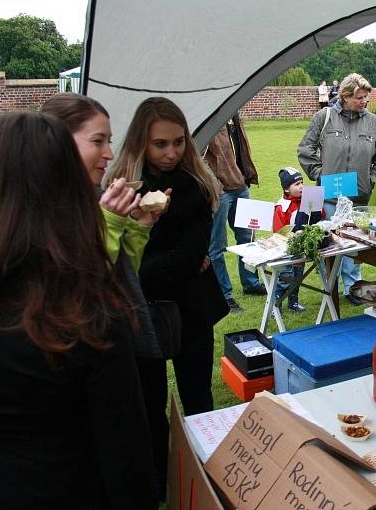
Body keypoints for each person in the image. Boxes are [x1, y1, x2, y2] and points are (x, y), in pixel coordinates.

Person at [0, 112, 156, 509]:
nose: (108, 154)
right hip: (56, 485)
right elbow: (125, 450)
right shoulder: (85, 304)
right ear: (67, 181)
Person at [105, 96, 229, 496]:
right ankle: (159, 478)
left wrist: (136, 271)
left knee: (197, 396)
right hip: (141, 316)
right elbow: (118, 262)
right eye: (161, 144)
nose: (172, 152)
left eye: (178, 142)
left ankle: (206, 470)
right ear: (141, 142)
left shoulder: (195, 184)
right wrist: (152, 267)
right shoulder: (120, 191)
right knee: (149, 401)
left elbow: (187, 256)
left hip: (190, 310)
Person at [41, 93, 165, 360]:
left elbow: (120, 275)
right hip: (74, 353)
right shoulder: (42, 208)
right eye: (97, 141)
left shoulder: (91, 196)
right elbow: (79, 284)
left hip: (112, 341)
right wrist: (109, 220)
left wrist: (136, 228)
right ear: (57, 141)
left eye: (108, 141)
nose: (109, 154)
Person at [298, 72, 376, 304]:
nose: (364, 102)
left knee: (353, 247)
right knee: (330, 244)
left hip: (359, 198)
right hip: (329, 197)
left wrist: (370, 181)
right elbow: (306, 149)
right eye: (359, 98)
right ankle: (330, 289)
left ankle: (353, 289)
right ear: (345, 96)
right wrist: (321, 175)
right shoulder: (324, 117)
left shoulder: (374, 122)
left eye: (366, 99)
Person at [203, 113, 265, 314]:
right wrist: (216, 184)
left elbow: (240, 151)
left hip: (240, 185)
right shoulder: (210, 118)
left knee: (247, 239)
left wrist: (246, 175)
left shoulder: (234, 115)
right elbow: (197, 155)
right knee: (217, 246)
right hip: (221, 191)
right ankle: (224, 294)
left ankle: (251, 282)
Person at [272, 167, 320, 312]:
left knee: (298, 277)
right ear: (287, 189)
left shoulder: (306, 201)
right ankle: (276, 305)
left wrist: (317, 207)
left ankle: (293, 302)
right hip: (285, 250)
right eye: (296, 184)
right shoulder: (282, 207)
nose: (301, 187)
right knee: (285, 278)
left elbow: (317, 216)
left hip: (300, 249)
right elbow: (278, 231)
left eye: (302, 183)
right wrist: (291, 235)